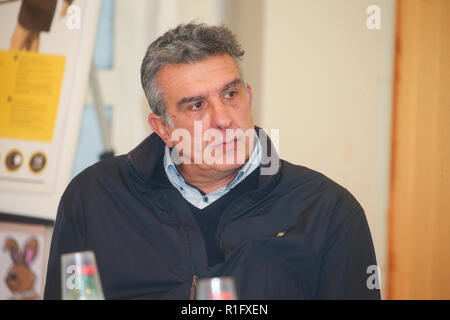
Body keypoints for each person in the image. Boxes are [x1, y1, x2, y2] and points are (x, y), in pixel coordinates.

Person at [44, 22, 381, 300]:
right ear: (163, 127)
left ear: (248, 96)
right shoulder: (94, 197)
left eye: (230, 95)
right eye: (196, 106)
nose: (223, 119)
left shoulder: (326, 210)